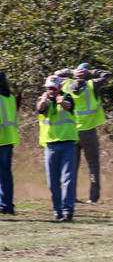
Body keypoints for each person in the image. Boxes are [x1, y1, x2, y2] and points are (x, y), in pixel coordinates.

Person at [55, 63, 112, 204]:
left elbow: (55, 75)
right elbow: (108, 75)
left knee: (71, 166)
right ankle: (93, 198)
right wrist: (91, 73)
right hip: (88, 131)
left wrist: (71, 71)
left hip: (71, 131)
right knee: (93, 165)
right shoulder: (93, 85)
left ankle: (70, 196)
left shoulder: (65, 83)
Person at [36, 76, 78, 222]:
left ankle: (67, 211)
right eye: (49, 88)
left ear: (59, 87)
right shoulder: (43, 99)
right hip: (51, 145)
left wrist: (62, 102)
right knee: (52, 181)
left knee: (68, 179)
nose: (51, 91)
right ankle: (57, 211)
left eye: (54, 88)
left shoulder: (68, 97)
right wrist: (44, 100)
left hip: (68, 143)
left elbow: (69, 106)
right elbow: (40, 108)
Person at [0, 70, 21, 215]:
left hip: (1, 140)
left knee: (3, 175)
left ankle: (5, 205)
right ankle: (8, 205)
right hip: (10, 139)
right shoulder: (11, 97)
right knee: (6, 175)